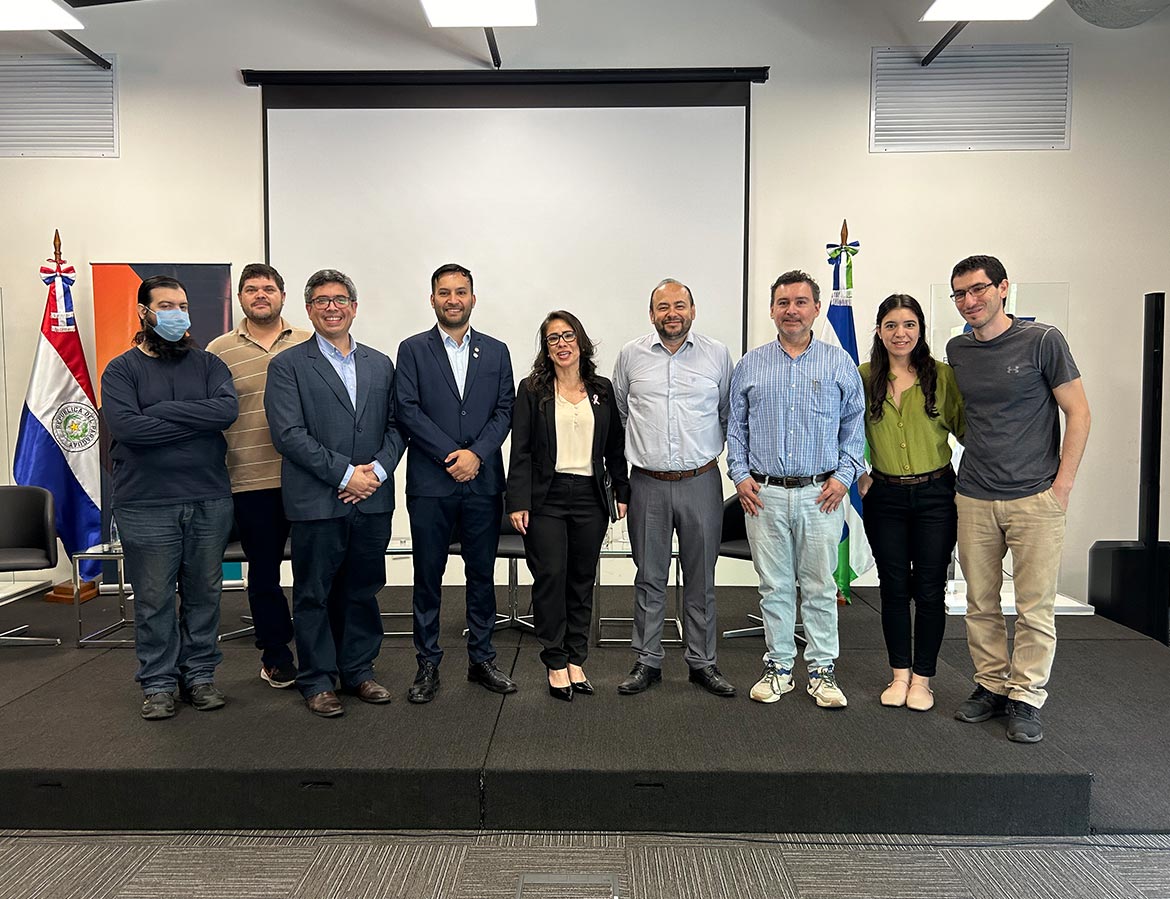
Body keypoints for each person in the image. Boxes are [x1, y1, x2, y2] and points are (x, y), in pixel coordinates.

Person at [947, 255, 1090, 743]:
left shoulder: (1043, 340)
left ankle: (1026, 696)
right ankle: (991, 685)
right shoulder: (958, 349)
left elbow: (1079, 412)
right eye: (960, 294)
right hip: (974, 494)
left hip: (1035, 497)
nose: (970, 301)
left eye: (978, 289)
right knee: (980, 602)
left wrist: (1062, 486)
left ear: (1003, 287)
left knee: (1034, 607)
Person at [264, 269, 406, 718]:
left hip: (373, 498)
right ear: (309, 310)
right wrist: (346, 476)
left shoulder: (380, 363)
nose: (332, 307)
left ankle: (358, 670)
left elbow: (397, 426)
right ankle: (318, 680)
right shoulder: (287, 365)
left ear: (354, 308)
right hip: (317, 501)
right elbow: (288, 435)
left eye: (340, 299)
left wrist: (376, 472)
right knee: (314, 594)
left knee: (363, 589)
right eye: (322, 301)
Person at [101, 275, 238, 720]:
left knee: (204, 595)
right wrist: (196, 424)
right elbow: (128, 429)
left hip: (208, 498)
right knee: (154, 599)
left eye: (182, 306)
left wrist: (160, 412)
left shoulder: (209, 364)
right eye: (166, 306)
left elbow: (226, 411)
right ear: (144, 312)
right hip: (145, 503)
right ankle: (158, 683)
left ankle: (199, 676)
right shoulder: (121, 370)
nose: (177, 314)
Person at [728, 270, 865, 708]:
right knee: (774, 587)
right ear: (771, 310)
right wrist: (739, 474)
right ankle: (780, 668)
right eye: (783, 302)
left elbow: (854, 426)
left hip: (820, 495)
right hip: (763, 494)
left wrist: (843, 477)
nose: (792, 310)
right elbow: (736, 428)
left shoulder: (838, 363)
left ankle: (822, 672)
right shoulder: (750, 365)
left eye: (801, 302)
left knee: (820, 587)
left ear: (816, 309)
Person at [396, 263, 517, 703]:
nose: (453, 300)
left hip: (482, 483)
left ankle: (482, 659)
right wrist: (453, 455)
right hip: (432, 484)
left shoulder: (496, 351)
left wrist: (476, 455)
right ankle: (427, 663)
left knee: (481, 575)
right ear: (432, 299)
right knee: (428, 576)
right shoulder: (412, 349)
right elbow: (407, 409)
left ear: (473, 298)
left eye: (460, 292)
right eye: (444, 292)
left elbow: (505, 410)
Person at [611, 278, 736, 698]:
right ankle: (647, 661)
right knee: (649, 576)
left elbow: (726, 413)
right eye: (663, 307)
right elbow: (622, 414)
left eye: (679, 305)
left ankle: (702, 662)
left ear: (693, 310)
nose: (672, 314)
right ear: (652, 314)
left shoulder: (717, 355)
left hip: (701, 482)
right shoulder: (631, 356)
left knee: (701, 577)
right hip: (647, 483)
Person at [506, 311, 630, 701]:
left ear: (581, 341)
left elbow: (615, 447)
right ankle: (555, 660)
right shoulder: (532, 390)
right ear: (546, 348)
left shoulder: (602, 389)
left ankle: (577, 658)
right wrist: (518, 501)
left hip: (590, 497)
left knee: (581, 579)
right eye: (553, 338)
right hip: (547, 498)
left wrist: (622, 491)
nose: (562, 344)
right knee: (551, 577)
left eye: (568, 335)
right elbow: (520, 450)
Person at [856, 294, 964, 712]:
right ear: (879, 331)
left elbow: (968, 430)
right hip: (885, 497)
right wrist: (859, 472)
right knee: (894, 588)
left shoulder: (942, 376)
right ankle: (899, 675)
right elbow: (845, 431)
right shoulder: (864, 376)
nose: (900, 333)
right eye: (891, 325)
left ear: (920, 329)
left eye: (909, 325)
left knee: (931, 589)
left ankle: (923, 679)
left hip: (936, 495)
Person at [207, 263, 311, 690]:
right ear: (240, 298)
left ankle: (320, 653)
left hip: (308, 478)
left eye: (268, 288)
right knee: (264, 575)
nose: (260, 295)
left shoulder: (309, 340)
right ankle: (276, 655)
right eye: (251, 289)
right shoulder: (218, 350)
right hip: (249, 480)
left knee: (314, 574)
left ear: (283, 295)